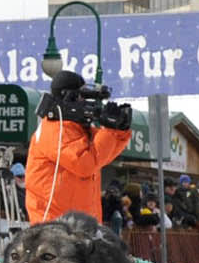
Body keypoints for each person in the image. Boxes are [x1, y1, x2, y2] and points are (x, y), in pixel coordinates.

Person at [23, 70, 130, 223]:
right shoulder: (56, 129)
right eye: (82, 97)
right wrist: (109, 130)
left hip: (78, 224)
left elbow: (102, 154)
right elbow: (84, 164)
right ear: (69, 97)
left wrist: (118, 129)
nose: (86, 103)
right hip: (56, 225)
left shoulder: (75, 129)